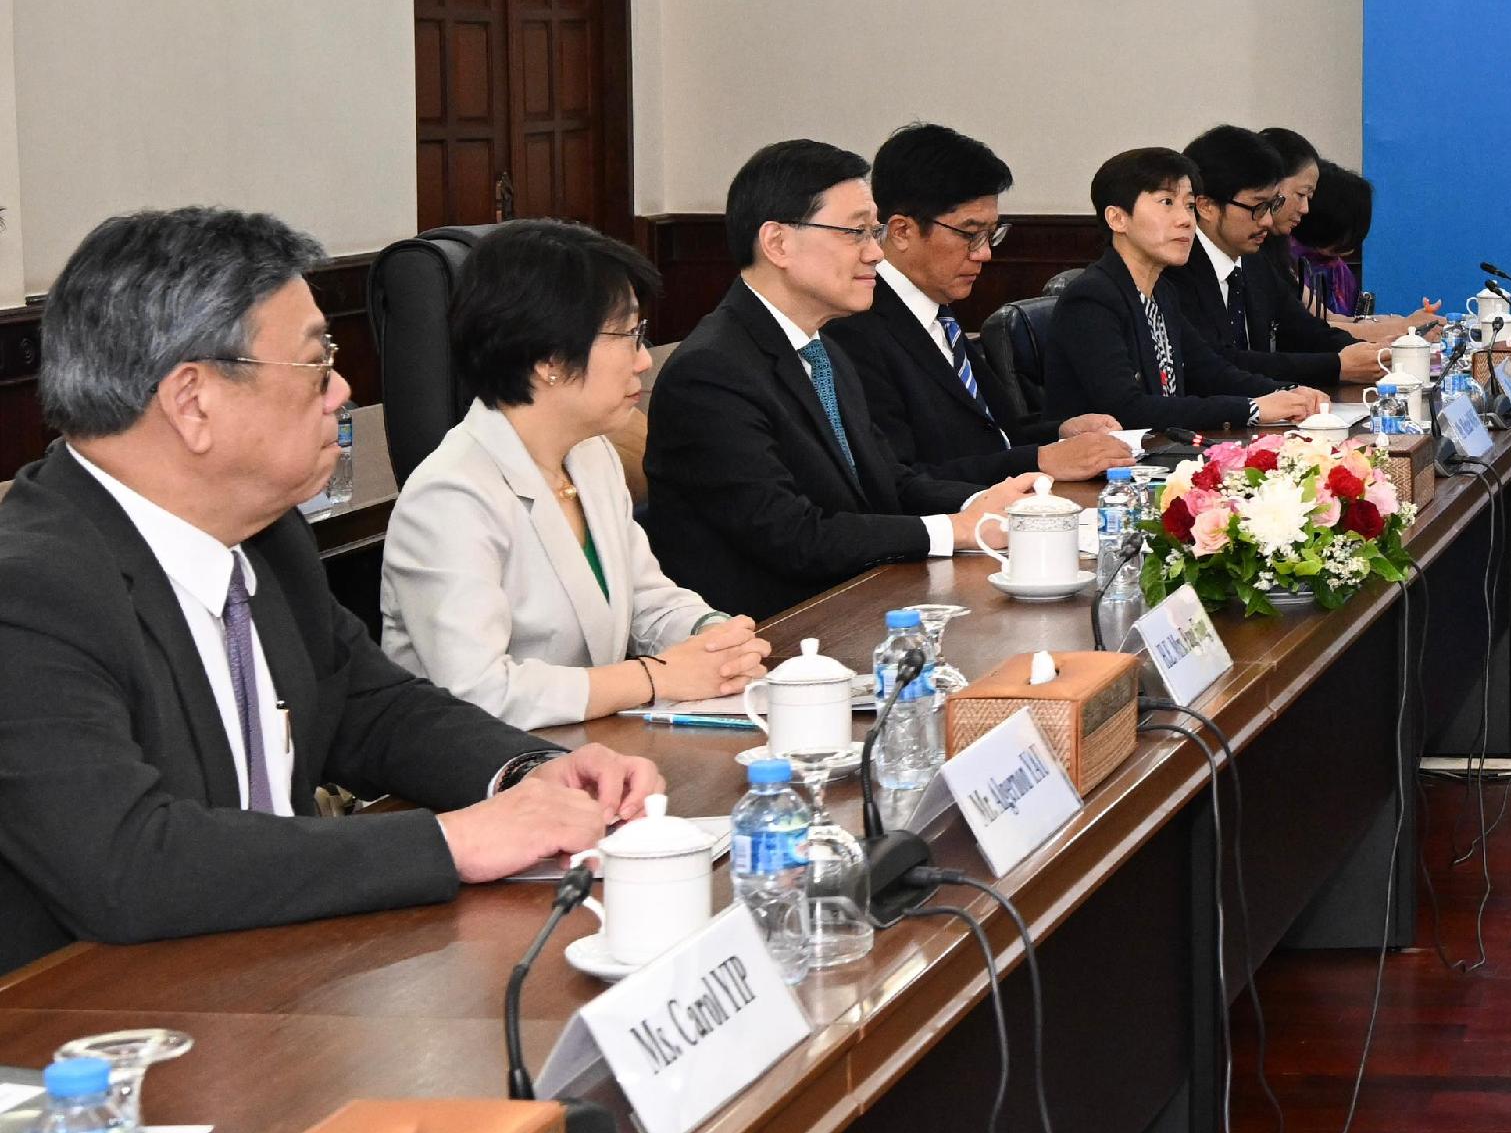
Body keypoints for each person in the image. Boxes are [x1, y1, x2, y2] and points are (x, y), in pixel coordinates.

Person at [0, 209, 666, 969]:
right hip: (81, 1022)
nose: (342, 390)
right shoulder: (30, 590)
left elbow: (371, 704)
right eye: (317, 364)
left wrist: (529, 772)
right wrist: (452, 840)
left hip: (267, 974)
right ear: (193, 401)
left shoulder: (268, 537)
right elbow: (129, 860)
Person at [381, 224, 774, 728]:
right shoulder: (451, 496)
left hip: (588, 748)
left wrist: (712, 634)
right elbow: (478, 691)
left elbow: (646, 600)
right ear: (547, 357)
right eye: (626, 335)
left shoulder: (590, 455)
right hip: (484, 777)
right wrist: (653, 678)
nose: (643, 359)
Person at [645, 141, 1036, 625]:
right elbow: (793, 536)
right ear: (778, 243)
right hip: (774, 641)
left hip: (857, 608)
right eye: (855, 232)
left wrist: (984, 504)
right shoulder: (710, 373)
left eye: (873, 231)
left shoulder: (822, 348)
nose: (875, 252)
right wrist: (955, 529)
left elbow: (887, 478)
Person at [828, 123, 1133, 489]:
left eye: (991, 234)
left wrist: (1061, 433)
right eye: (969, 234)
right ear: (902, 230)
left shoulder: (937, 311)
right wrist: (1039, 459)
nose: (984, 253)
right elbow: (899, 477)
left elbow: (991, 437)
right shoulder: (854, 328)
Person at [1042, 148, 1330, 437]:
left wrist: (1290, 393)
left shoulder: (1162, 291)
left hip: (1161, 455)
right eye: (1166, 202)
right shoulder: (1092, 298)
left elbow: (1211, 372)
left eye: (1189, 205)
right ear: (1117, 219)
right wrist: (1252, 409)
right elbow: (1128, 409)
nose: (1186, 220)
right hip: (1100, 473)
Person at [1165, 125, 1391, 390]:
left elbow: (1303, 330)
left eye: (1272, 206)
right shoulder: (1175, 268)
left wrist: (1374, 353)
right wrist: (1337, 365)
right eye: (1258, 207)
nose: (1268, 220)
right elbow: (1218, 363)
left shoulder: (1253, 260)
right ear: (1206, 206)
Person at [1265, 132, 1371, 323]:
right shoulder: (1275, 257)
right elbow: (1318, 326)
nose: (1305, 208)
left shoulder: (1278, 256)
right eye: (1301, 194)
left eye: (1309, 198)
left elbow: (1325, 320)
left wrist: (1396, 324)